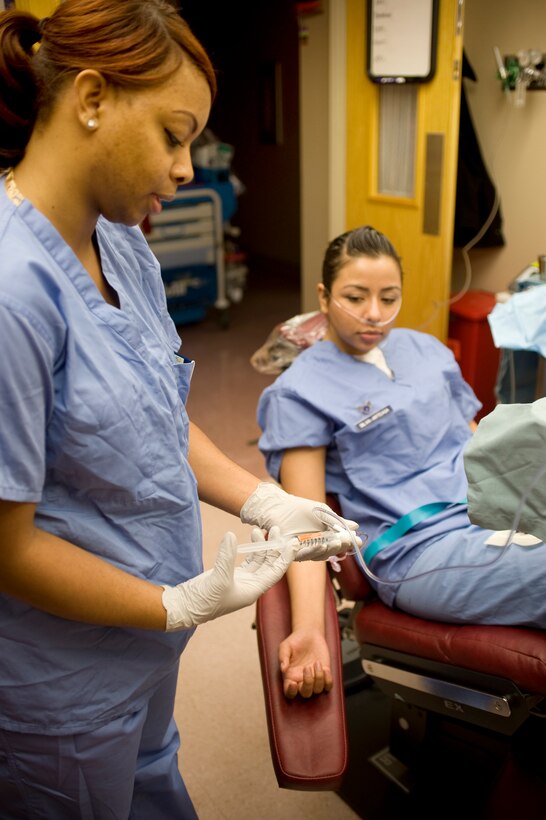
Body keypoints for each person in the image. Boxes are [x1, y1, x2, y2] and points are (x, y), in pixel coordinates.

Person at [0, 2, 357, 817]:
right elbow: (7, 549)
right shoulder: (13, 292)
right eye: (174, 134)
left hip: (141, 652)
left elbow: (156, 411)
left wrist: (266, 500)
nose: (188, 166)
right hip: (61, 683)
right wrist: (179, 601)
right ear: (90, 98)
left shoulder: (120, 237)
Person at [256, 224, 546, 701]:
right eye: (355, 296)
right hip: (420, 551)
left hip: (488, 516)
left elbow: (473, 441)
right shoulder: (300, 393)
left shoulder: (423, 350)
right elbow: (305, 524)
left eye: (389, 298)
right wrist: (310, 630)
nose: (374, 314)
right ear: (324, 296)